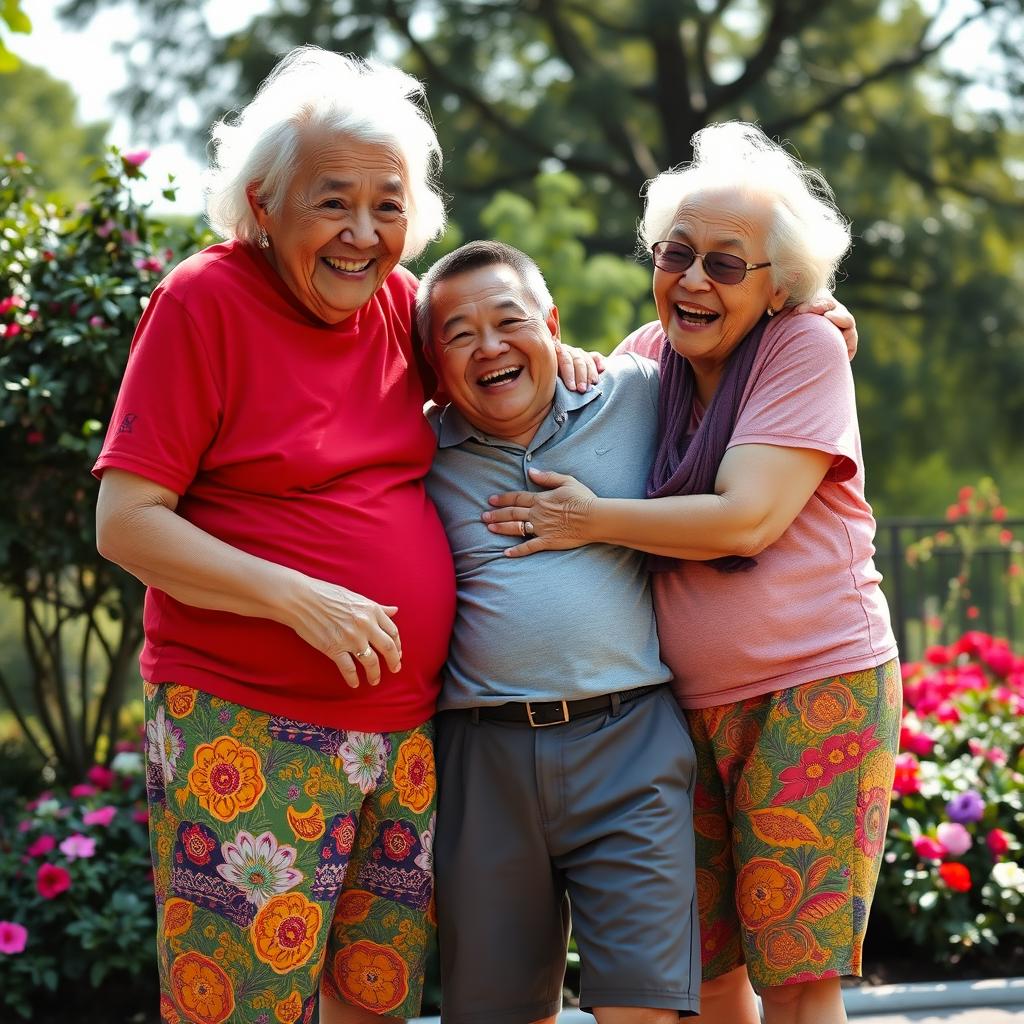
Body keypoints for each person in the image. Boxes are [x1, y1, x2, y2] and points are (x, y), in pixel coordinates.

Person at [92, 48, 598, 1024]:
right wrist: (296, 597)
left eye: (389, 204)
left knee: (372, 999)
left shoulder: (402, 307)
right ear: (263, 203)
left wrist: (560, 351)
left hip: (403, 729)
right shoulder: (205, 303)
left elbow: (492, 355)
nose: (363, 235)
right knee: (241, 1006)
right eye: (333, 203)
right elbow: (127, 523)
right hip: (246, 717)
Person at [482, 122, 900, 1024]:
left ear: (780, 284)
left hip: (813, 685)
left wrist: (584, 520)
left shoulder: (802, 348)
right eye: (678, 254)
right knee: (704, 968)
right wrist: (559, 357)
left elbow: (746, 516)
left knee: (795, 968)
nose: (695, 279)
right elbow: (550, 399)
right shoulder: (642, 360)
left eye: (726, 263)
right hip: (679, 706)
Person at [417, 240, 702, 1024]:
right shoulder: (418, 449)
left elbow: (733, 344)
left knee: (644, 1008)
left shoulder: (635, 394)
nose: (490, 347)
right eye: (460, 335)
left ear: (550, 322)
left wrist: (820, 314)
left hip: (631, 742)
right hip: (485, 756)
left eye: (509, 321)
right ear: (436, 368)